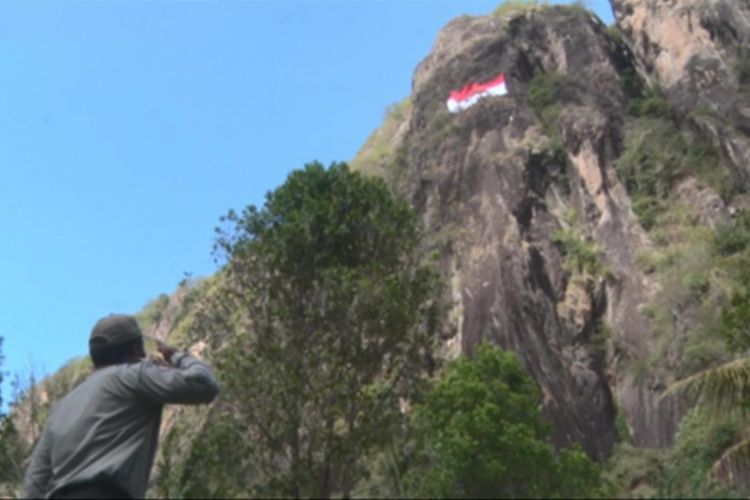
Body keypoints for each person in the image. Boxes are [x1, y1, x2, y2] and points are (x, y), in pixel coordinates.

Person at [21, 313, 220, 499]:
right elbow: (204, 385)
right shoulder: (133, 376)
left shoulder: (60, 408)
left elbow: (34, 484)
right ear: (136, 350)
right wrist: (176, 356)